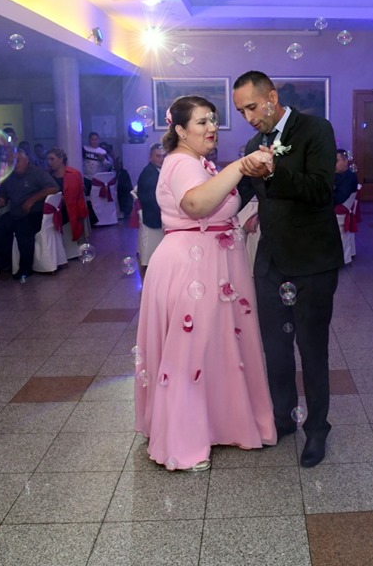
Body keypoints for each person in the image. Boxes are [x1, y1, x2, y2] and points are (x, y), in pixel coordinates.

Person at [134, 95, 276, 471]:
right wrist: (241, 166)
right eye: (202, 122)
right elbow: (196, 205)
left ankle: (213, 424)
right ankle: (182, 441)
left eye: (213, 119)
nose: (212, 127)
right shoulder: (181, 162)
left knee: (211, 346)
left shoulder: (199, 162)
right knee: (191, 350)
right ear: (180, 130)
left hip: (210, 264)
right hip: (192, 267)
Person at [233, 70, 343, 469]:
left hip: (312, 263)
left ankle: (317, 428)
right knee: (275, 348)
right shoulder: (253, 144)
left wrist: (275, 172)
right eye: (241, 111)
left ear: (271, 97)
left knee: (311, 349)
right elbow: (239, 195)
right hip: (270, 263)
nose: (248, 118)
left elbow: (321, 190)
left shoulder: (315, 129)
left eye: (251, 107)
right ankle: (282, 418)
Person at [0, 151, 59, 279]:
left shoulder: (37, 173)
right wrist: (1, 199)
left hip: (35, 213)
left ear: (27, 160)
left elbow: (54, 188)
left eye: (18, 160)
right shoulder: (9, 176)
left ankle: (25, 268)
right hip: (15, 212)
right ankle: (8, 260)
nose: (15, 164)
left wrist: (32, 200)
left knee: (23, 230)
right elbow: (3, 193)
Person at [46, 147, 88, 242]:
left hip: (69, 211)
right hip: (52, 212)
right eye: (48, 159)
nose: (49, 162)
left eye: (52, 159)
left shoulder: (73, 174)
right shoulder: (47, 176)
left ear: (61, 159)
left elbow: (75, 197)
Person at [135, 143, 165, 268]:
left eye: (164, 156)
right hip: (153, 215)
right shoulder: (149, 174)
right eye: (158, 156)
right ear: (150, 157)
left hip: (152, 210)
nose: (161, 159)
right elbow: (153, 200)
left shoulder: (155, 170)